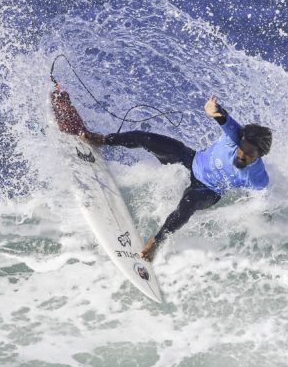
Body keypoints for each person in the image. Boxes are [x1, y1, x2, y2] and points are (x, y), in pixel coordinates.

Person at [77, 94, 272, 261]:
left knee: (188, 201)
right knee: (146, 139)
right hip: (192, 160)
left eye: (249, 155)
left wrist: (263, 216)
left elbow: (263, 200)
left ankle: (156, 242)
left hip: (208, 190)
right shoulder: (235, 135)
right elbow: (221, 116)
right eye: (241, 149)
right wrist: (212, 108)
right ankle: (102, 140)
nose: (241, 155)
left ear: (260, 155)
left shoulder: (258, 177)